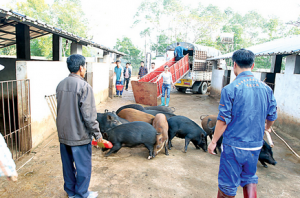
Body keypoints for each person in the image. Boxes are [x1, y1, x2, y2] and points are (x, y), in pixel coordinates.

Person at [207, 49, 277, 198]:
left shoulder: (230, 89)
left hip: (234, 146)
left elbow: (223, 120)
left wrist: (213, 141)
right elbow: (272, 115)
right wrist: (267, 127)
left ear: (234, 65)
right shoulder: (266, 89)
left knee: (227, 184)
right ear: (252, 66)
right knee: (249, 178)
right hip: (255, 146)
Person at [56, 54, 103, 198]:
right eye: (85, 66)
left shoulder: (61, 84)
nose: (85, 69)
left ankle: (71, 192)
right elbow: (89, 116)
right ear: (81, 68)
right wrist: (98, 134)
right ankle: (82, 193)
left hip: (64, 134)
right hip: (79, 135)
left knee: (68, 166)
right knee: (83, 167)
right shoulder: (84, 86)